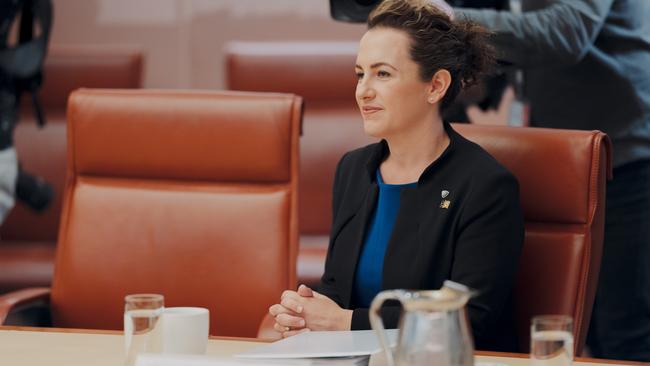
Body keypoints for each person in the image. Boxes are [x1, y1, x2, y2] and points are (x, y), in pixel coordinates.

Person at [268, 0, 524, 352]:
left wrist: (343, 322)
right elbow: (338, 287)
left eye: (383, 74)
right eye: (360, 73)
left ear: (435, 86)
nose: (363, 90)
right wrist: (305, 310)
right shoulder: (353, 170)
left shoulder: (485, 186)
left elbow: (468, 320)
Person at [450, 0, 650, 361]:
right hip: (561, 158)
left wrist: (451, 19)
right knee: (577, 328)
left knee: (625, 329)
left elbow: (567, 30)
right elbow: (518, 41)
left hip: (626, 155)